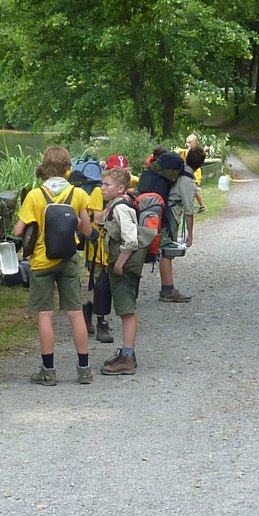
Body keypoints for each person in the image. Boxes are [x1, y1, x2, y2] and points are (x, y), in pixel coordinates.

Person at [13, 145, 99, 384]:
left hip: (42, 260)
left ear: (45, 167)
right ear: (68, 168)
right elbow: (86, 229)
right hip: (68, 258)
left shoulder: (35, 195)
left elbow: (18, 230)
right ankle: (84, 369)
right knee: (75, 313)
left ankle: (48, 371)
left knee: (45, 315)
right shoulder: (79, 194)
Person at [96, 165, 144, 375]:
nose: (101, 188)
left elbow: (131, 239)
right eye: (102, 184)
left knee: (126, 310)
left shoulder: (122, 208)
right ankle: (127, 352)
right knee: (125, 310)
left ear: (121, 188)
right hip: (119, 265)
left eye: (106, 185)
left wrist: (119, 263)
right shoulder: (115, 205)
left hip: (122, 268)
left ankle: (126, 357)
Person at [139, 148, 192, 302]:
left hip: (141, 216)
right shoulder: (164, 180)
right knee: (167, 251)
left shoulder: (148, 174)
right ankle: (167, 290)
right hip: (159, 219)